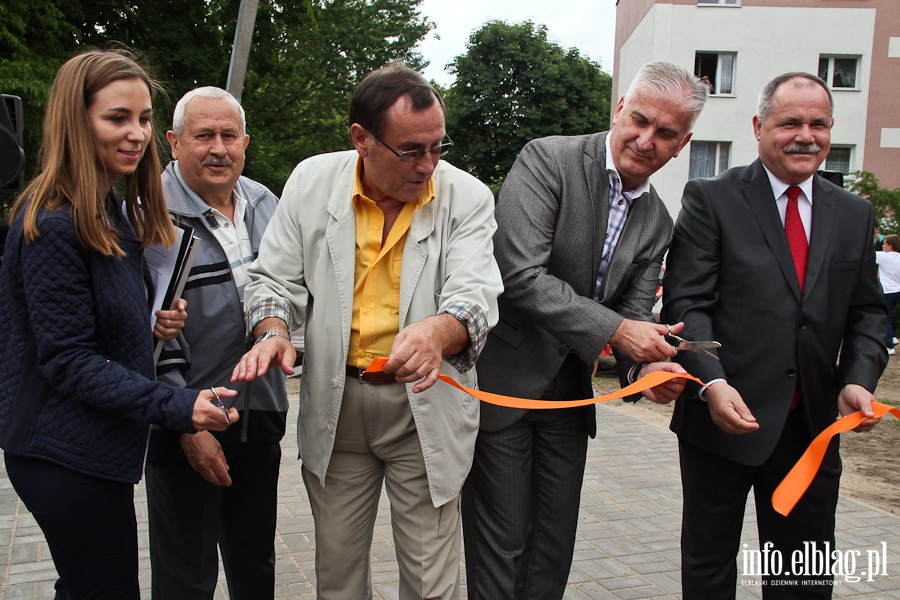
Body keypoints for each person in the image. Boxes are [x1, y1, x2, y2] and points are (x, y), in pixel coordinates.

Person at [231, 63, 503, 599]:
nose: (427, 164)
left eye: (437, 147)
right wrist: (272, 331)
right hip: (336, 405)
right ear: (361, 139)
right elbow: (271, 281)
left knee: (430, 584)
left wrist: (436, 332)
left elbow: (475, 296)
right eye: (410, 150)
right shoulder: (311, 182)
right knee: (337, 578)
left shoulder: (467, 197)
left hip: (423, 405)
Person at [461, 61, 707, 599]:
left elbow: (638, 320)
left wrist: (651, 367)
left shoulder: (659, 222)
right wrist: (619, 332)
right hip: (504, 385)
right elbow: (518, 273)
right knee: (501, 545)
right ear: (619, 108)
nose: (646, 140)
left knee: (554, 545)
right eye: (639, 120)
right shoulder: (548, 159)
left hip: (570, 403)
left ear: (682, 143)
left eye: (665, 133)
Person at [0, 49, 238, 599]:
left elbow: (90, 327)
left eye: (145, 118)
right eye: (117, 118)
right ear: (75, 120)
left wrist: (147, 324)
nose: (136, 134)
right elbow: (67, 359)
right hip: (60, 452)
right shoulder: (55, 223)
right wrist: (181, 406)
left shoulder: (108, 212)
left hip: (94, 449)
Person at [661, 72, 887, 598]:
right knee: (709, 569)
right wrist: (711, 384)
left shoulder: (854, 212)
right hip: (723, 418)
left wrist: (857, 380)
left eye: (818, 124)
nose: (805, 135)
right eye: (790, 122)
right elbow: (688, 304)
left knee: (802, 578)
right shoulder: (711, 197)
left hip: (809, 427)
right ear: (760, 126)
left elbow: (869, 314)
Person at [144, 86, 288, 599]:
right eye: (203, 135)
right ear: (174, 141)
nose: (218, 148)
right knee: (186, 574)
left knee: (256, 565)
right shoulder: (148, 214)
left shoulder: (266, 202)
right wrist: (184, 421)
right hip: (187, 419)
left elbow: (290, 290)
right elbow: (147, 329)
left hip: (261, 413)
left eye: (229, 135)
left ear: (245, 141)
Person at [876, 233, 900, 355]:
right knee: (889, 315)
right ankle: (893, 337)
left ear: (890, 246)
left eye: (884, 244)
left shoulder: (883, 257)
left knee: (885, 318)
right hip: (897, 291)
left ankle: (889, 346)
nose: (882, 246)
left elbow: (867, 253)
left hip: (887, 291)